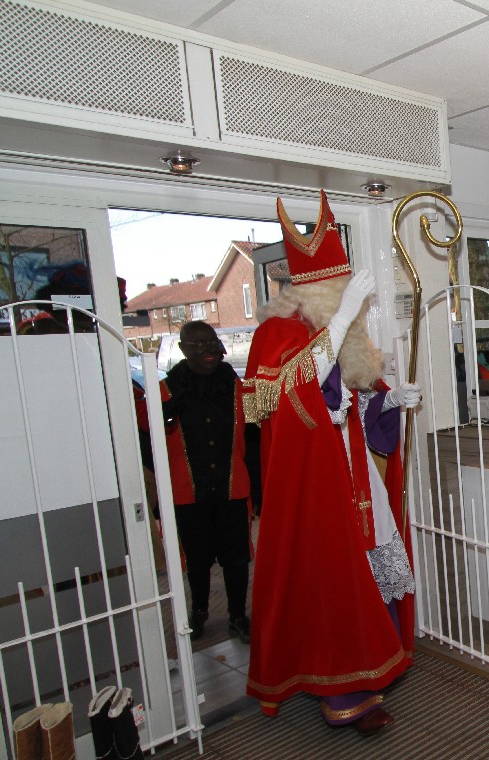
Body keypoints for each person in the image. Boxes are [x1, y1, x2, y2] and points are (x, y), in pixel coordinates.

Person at [241, 190, 419, 737]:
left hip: (353, 474)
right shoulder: (278, 333)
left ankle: (375, 669)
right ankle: (345, 695)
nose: (348, 298)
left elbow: (352, 405)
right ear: (315, 291)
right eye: (339, 291)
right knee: (333, 580)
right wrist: (341, 318)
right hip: (316, 486)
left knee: (369, 571)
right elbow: (295, 396)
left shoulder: (336, 330)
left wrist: (391, 400)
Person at [158, 319, 260, 644]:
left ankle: (237, 615)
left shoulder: (236, 387)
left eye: (212, 341)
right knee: (197, 558)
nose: (208, 349)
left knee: (236, 557)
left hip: (232, 487)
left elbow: (255, 437)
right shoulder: (166, 391)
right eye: (199, 343)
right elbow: (149, 441)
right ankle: (199, 611)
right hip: (188, 492)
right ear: (183, 349)